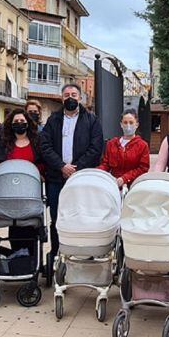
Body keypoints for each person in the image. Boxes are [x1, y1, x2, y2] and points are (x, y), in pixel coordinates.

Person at [39, 84, 104, 267]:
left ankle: (84, 254)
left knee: (83, 216)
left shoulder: (91, 120)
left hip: (82, 178)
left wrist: (76, 168)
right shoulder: (53, 120)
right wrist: (61, 166)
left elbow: (96, 148)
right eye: (66, 94)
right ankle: (56, 254)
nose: (70, 98)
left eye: (74, 94)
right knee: (57, 217)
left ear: (80, 98)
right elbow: (45, 146)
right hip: (56, 178)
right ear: (61, 98)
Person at [0, 108, 43, 256]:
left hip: (31, 190)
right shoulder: (5, 143)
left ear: (28, 123)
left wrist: (39, 173)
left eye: (22, 121)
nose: (19, 124)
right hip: (11, 191)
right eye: (16, 122)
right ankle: (17, 257)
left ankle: (32, 259)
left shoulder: (36, 142)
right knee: (14, 223)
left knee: (31, 224)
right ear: (11, 124)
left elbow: (41, 161)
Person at [97, 109, 150, 189]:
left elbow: (143, 168)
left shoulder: (142, 145)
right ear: (121, 124)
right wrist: (97, 172)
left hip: (134, 186)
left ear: (137, 124)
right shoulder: (111, 143)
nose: (128, 125)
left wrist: (124, 178)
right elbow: (105, 164)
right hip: (114, 184)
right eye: (125, 122)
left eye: (131, 122)